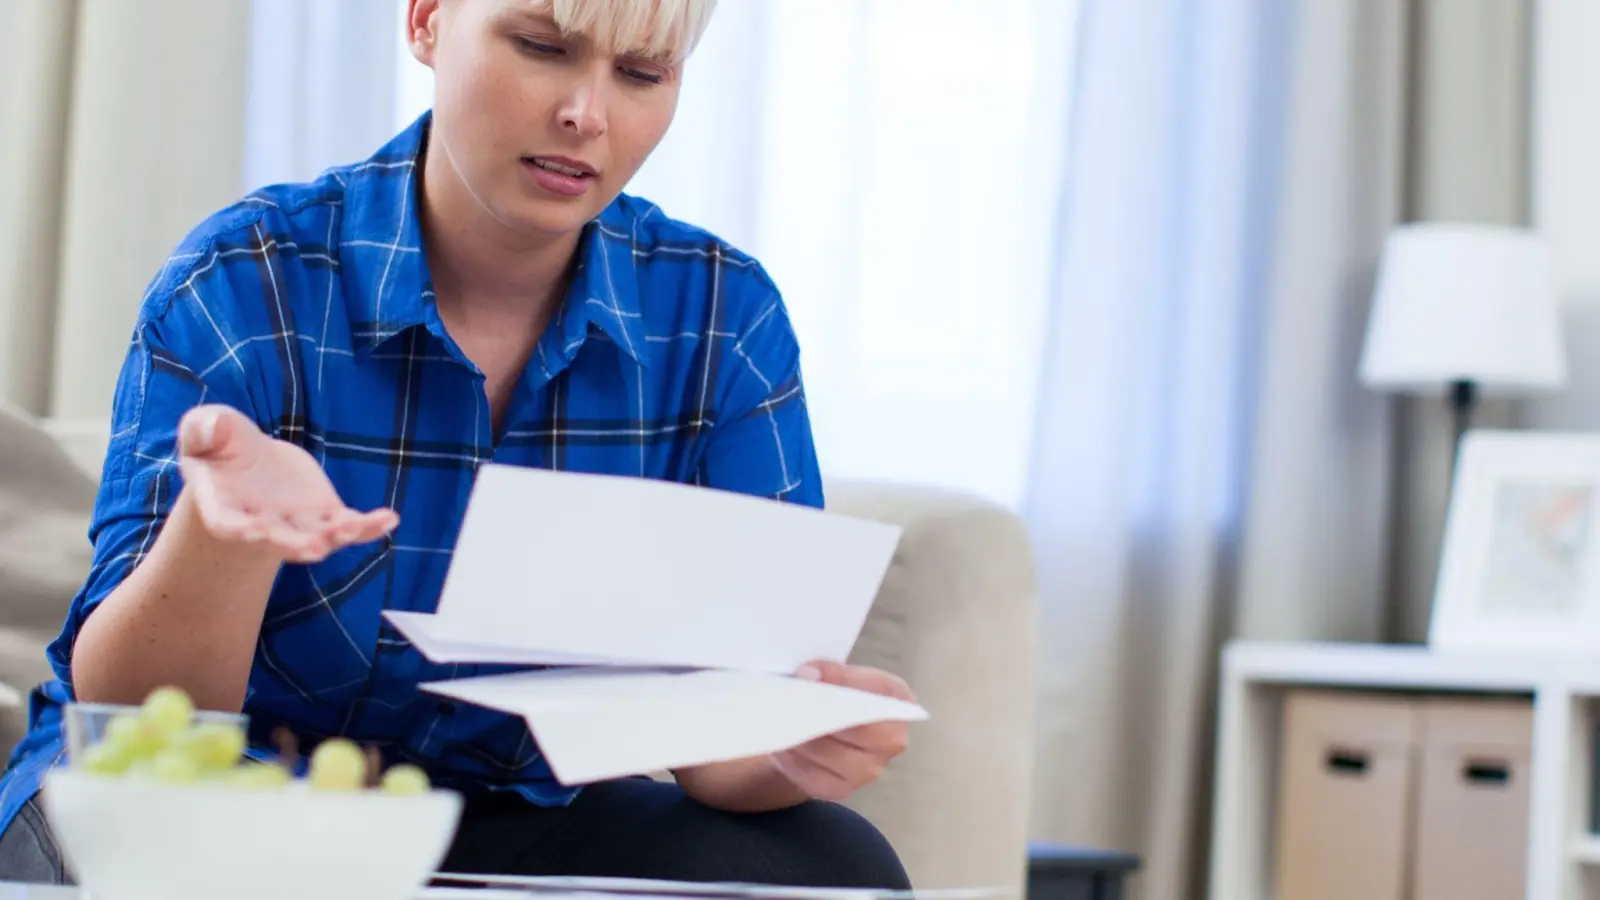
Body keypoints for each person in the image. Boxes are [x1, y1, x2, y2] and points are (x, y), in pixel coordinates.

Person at [0, 0, 916, 888]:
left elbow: (717, 756)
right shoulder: (247, 281)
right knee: (155, 852)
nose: (586, 114)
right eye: (541, 46)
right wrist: (225, 538)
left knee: (834, 861)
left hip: (502, 821)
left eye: (641, 73)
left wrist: (792, 747)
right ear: (427, 20)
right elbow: (128, 704)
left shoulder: (723, 319)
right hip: (207, 797)